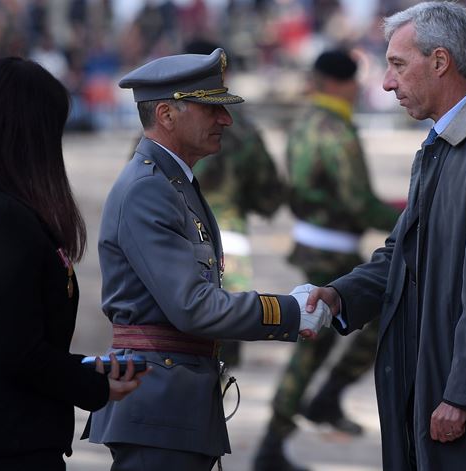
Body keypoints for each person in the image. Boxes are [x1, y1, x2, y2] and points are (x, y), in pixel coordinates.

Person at [303, 2, 466, 469]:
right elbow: (403, 251)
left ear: (440, 62)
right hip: (439, 392)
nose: (386, 82)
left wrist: (464, 394)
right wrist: (340, 296)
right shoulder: (445, 143)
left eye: (398, 64)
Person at [86, 48, 330, 470]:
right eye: (209, 108)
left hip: (173, 403)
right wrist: (289, 311)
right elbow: (193, 306)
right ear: (166, 114)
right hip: (158, 407)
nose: (226, 120)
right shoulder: (150, 188)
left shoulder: (174, 181)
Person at [0, 57, 144, 471]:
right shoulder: (6, 220)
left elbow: (3, 340)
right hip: (4, 447)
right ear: (28, 134)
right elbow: (17, 354)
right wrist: (96, 386)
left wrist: (89, 367)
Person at [253, 49, 401, 471]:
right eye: (354, 82)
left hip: (314, 244)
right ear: (341, 84)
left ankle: (287, 431)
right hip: (332, 252)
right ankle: (317, 406)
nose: (358, 90)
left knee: (314, 345)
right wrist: (413, 219)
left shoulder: (303, 123)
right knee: (356, 327)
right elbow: (359, 204)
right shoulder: (336, 129)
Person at [186, 39, 288, 368]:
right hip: (228, 252)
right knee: (221, 353)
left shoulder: (161, 123)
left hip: (172, 247)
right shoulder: (239, 128)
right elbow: (268, 193)